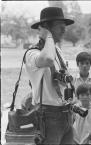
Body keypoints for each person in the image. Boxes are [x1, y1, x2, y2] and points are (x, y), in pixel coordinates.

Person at [25, 7, 76, 144]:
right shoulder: (32, 53)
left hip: (65, 113)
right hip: (47, 116)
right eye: (60, 26)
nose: (64, 30)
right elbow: (47, 59)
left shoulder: (57, 50)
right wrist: (48, 35)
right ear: (47, 28)